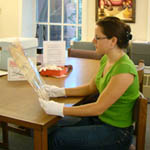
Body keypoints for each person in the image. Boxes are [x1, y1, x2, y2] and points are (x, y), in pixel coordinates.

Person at [39, 16, 140, 150]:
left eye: (97, 38)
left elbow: (98, 107)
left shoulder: (124, 70)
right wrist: (58, 91)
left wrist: (60, 109)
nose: (93, 41)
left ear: (113, 41)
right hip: (101, 120)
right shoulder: (107, 59)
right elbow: (90, 88)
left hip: (116, 132)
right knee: (53, 126)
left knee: (57, 138)